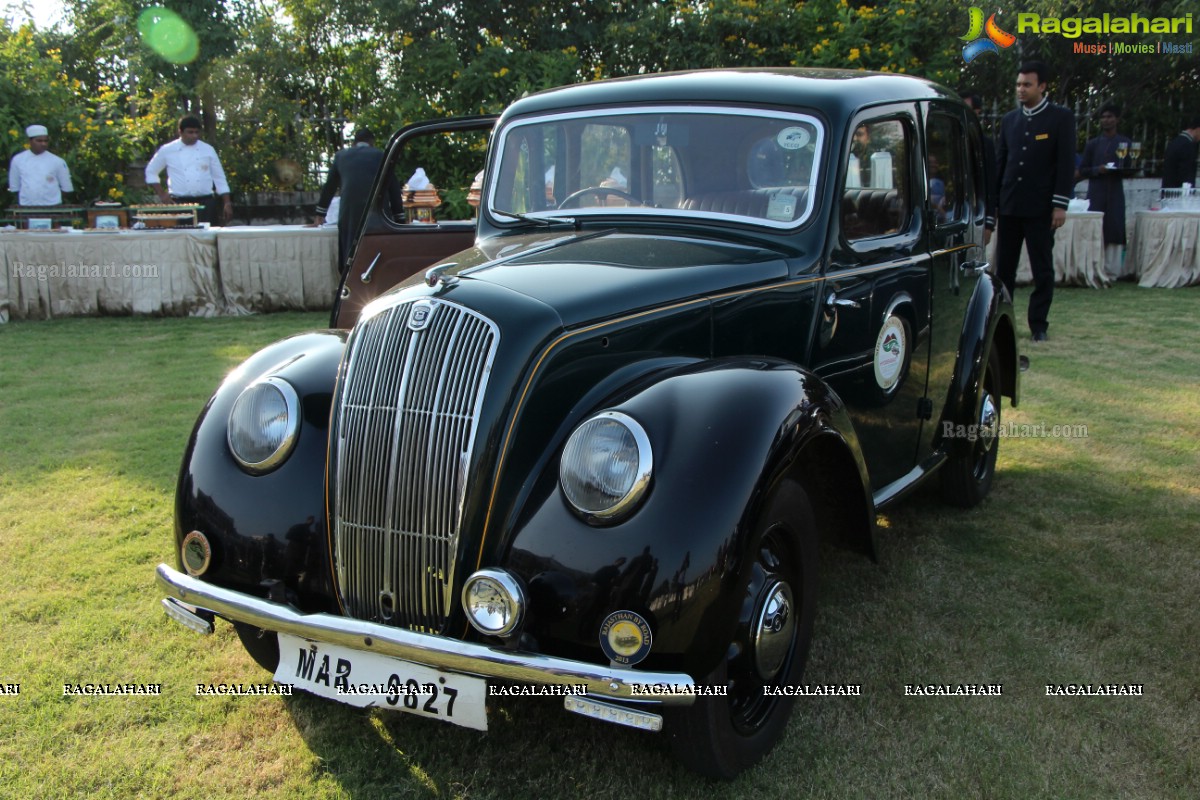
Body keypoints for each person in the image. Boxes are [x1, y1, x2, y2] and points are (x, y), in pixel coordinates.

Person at [995, 61, 1075, 343]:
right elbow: (1001, 163)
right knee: (1004, 269)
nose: (1021, 89)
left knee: (1042, 268)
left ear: (1042, 86)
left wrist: (1060, 204)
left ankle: (1038, 324)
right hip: (1010, 206)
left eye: (1027, 84)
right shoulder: (1009, 120)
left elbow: (1065, 164)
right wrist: (994, 207)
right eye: (1018, 84)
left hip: (1041, 208)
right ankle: (1000, 322)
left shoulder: (1060, 118)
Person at [315, 128, 399, 271]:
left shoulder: (341, 157)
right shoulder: (382, 155)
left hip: (350, 213)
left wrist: (320, 214)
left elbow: (329, 187)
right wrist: (399, 217)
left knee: (350, 248)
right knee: (377, 249)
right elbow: (393, 188)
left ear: (354, 143)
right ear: (372, 142)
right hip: (378, 211)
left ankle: (349, 278)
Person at [144, 115, 233, 225]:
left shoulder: (208, 149)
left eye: (197, 132)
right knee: (181, 237)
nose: (194, 136)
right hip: (179, 203)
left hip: (206, 203)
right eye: (190, 132)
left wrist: (227, 203)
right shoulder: (167, 150)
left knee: (208, 237)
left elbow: (219, 177)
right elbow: (151, 171)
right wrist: (162, 194)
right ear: (180, 132)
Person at [1077, 104, 1133, 278]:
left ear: (1116, 119)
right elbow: (1083, 169)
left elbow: (1129, 168)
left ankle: (1112, 270)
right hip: (1096, 191)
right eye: (1103, 117)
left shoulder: (1124, 143)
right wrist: (1097, 170)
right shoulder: (1093, 144)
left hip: (1115, 191)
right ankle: (1093, 268)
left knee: (1114, 228)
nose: (1106, 120)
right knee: (1095, 227)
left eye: (1109, 117)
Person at [959, 91, 997, 246]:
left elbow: (990, 183)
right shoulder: (948, 140)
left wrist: (988, 223)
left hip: (974, 215)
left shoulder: (984, 144)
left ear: (976, 112)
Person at [8, 124, 73, 206]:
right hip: (26, 207)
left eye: (45, 141)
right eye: (39, 141)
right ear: (30, 141)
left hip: (53, 207)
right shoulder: (18, 160)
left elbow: (66, 188)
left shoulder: (57, 161)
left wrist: (52, 201)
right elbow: (15, 188)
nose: (43, 144)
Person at [1161, 116, 1200, 189]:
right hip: (1178, 195)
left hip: (1168, 192)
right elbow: (1186, 176)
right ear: (1198, 129)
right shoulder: (1187, 146)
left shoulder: (1175, 142)